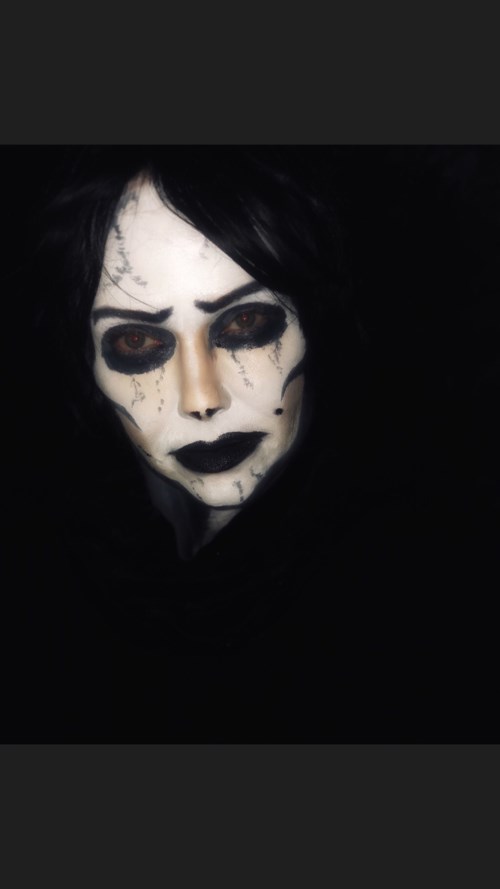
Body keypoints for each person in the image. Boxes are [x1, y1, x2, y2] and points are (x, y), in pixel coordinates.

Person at [7, 145, 500, 740]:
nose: (201, 398)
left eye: (244, 323)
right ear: (85, 362)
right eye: (137, 343)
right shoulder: (37, 582)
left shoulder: (435, 591)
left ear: (316, 321)